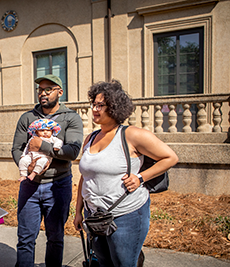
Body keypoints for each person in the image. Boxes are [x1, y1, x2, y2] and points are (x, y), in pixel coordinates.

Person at [73, 80, 178, 267]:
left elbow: (170, 157)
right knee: (103, 263)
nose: (94, 109)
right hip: (94, 216)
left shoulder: (132, 135)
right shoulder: (90, 138)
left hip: (127, 215)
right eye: (93, 104)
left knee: (124, 263)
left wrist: (140, 178)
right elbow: (85, 177)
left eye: (100, 105)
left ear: (114, 107)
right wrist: (79, 211)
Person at [12, 74, 83, 267]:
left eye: (48, 89)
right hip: (30, 186)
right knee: (25, 239)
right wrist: (29, 168)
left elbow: (73, 151)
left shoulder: (71, 118)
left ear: (60, 92)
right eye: (40, 90)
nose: (42, 93)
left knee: (55, 238)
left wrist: (42, 145)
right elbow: (17, 149)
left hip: (58, 186)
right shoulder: (27, 118)